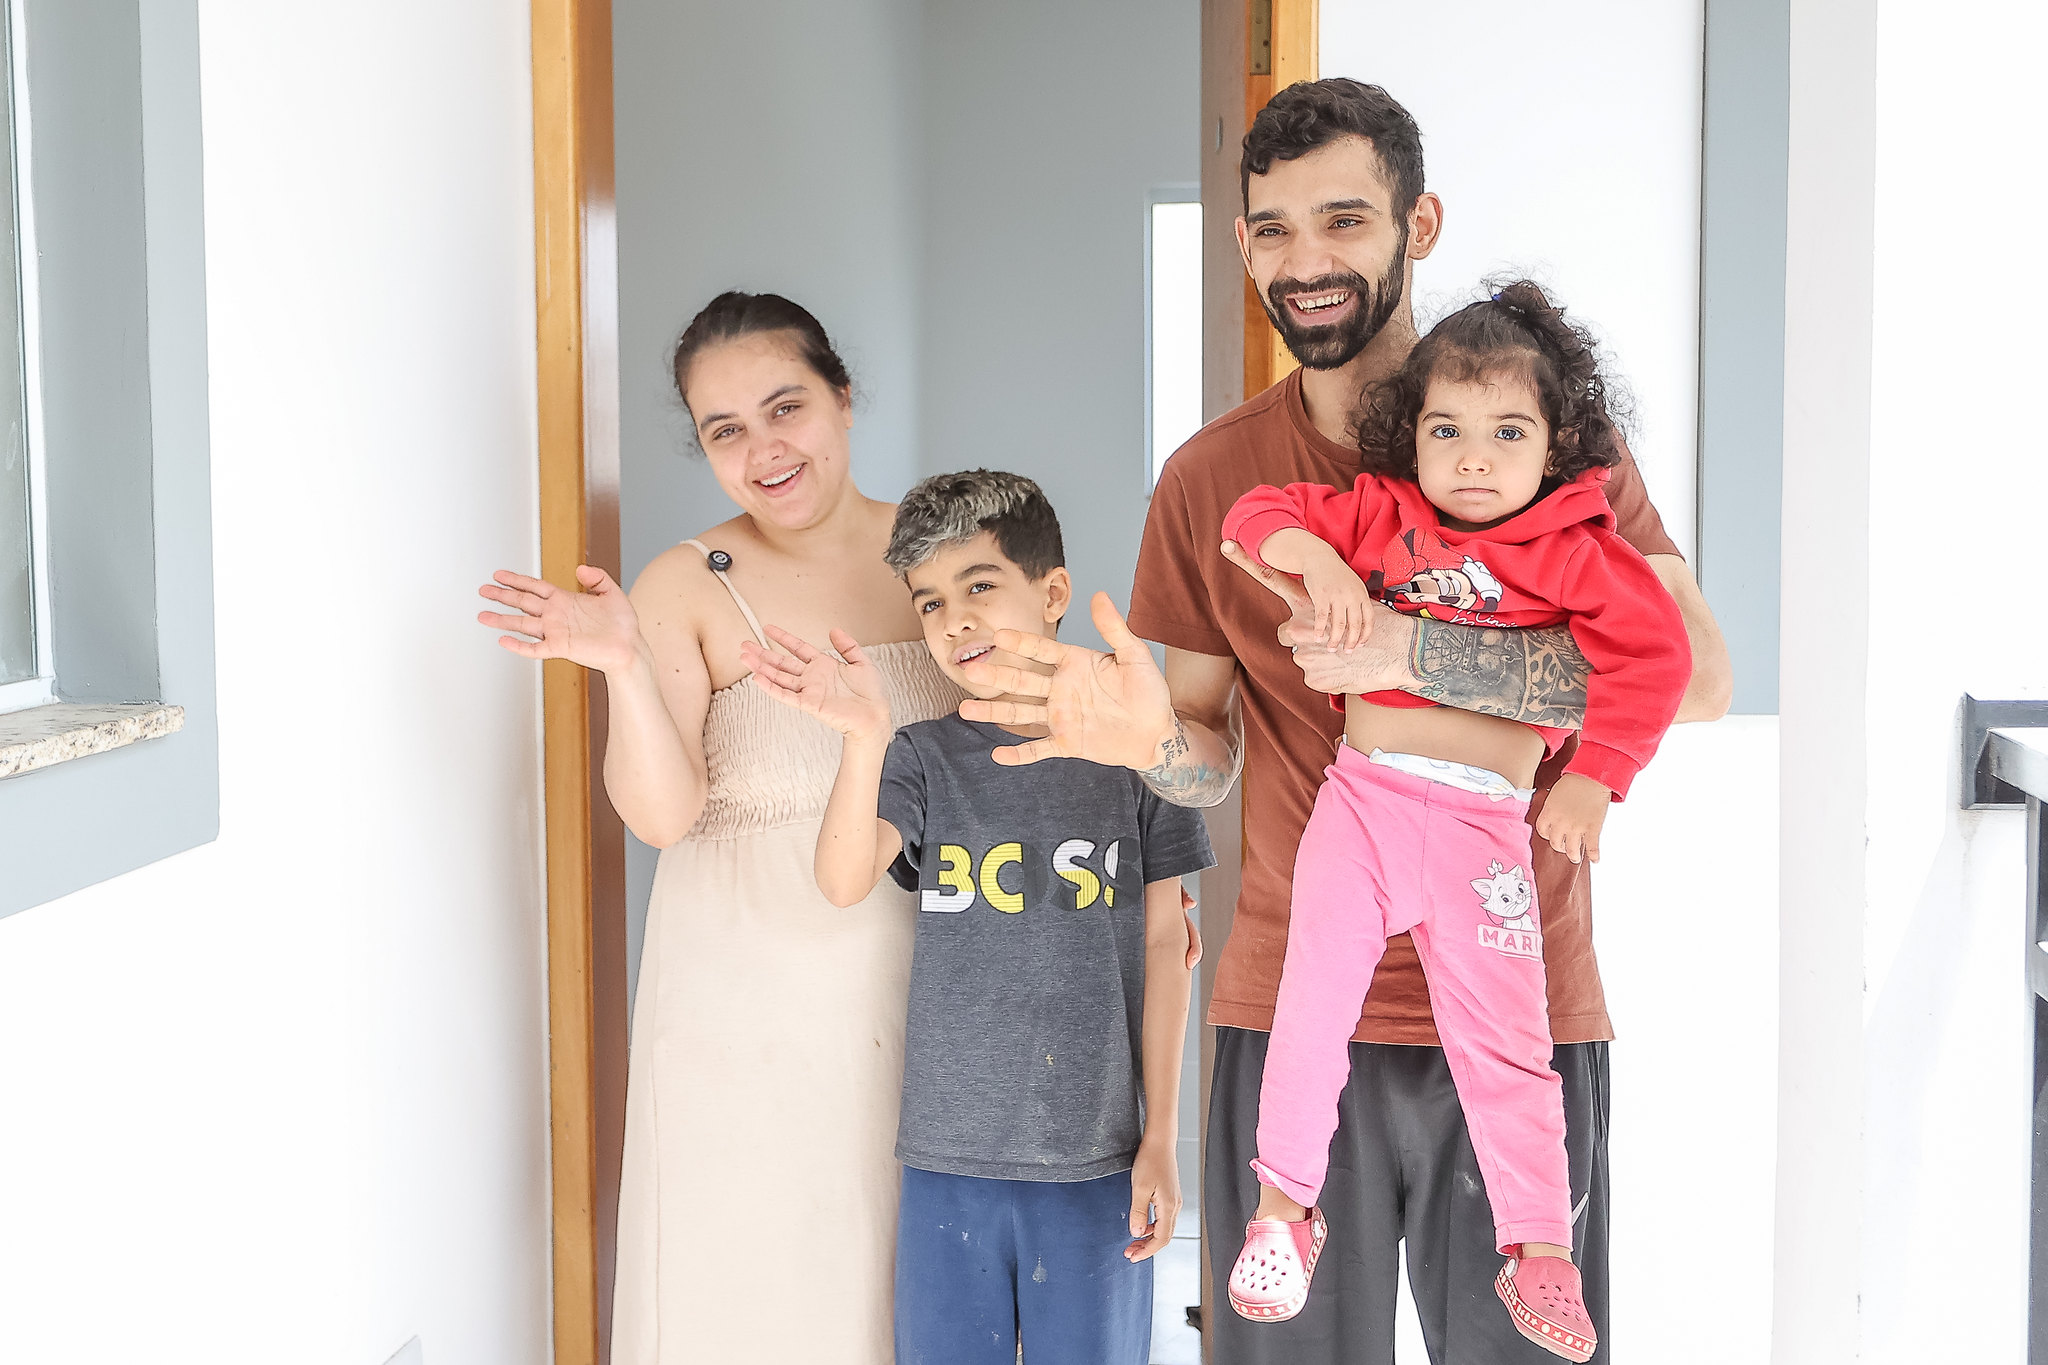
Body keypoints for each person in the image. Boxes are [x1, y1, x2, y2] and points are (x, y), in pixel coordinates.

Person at [947, 80, 1732, 1363]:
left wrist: (1405, 651)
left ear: (1418, 225)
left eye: (1344, 220)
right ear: (1242, 244)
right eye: (1272, 230)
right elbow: (1203, 748)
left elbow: (1691, 678)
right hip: (1292, 1003)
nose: (1304, 261)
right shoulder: (1211, 477)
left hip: (1519, 1003)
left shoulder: (1543, 444)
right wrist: (1149, 745)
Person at [475, 292, 961, 1365]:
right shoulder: (684, 583)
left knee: (898, 1286)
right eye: (724, 429)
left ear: (842, 398)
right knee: (750, 1285)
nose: (763, 450)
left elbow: (1020, 740)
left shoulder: (943, 557)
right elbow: (663, 814)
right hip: (739, 1003)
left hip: (925, 984)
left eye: (786, 408)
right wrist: (621, 667)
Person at [1220, 282, 1691, 1362]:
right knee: (1310, 1006)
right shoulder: (1381, 514)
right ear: (1411, 435)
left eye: (1506, 433)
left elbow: (1658, 657)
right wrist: (1320, 558)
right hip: (1363, 808)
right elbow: (1258, 516)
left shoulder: (1578, 549)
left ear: (1556, 444)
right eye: (1446, 431)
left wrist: (1596, 777)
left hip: (1485, 831)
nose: (1473, 459)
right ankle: (1283, 1210)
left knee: (1506, 1046)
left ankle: (1538, 1247)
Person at [738, 470, 1215, 1365]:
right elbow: (842, 878)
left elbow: (1167, 946)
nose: (954, 620)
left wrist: (1161, 1136)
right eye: (930, 602)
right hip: (947, 1161)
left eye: (979, 586)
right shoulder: (924, 757)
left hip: (1096, 1159)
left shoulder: (1136, 756)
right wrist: (863, 735)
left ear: (1053, 592)